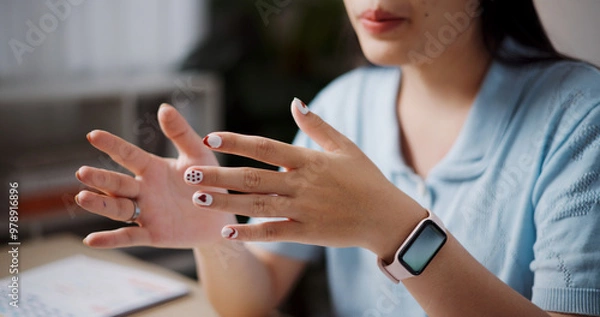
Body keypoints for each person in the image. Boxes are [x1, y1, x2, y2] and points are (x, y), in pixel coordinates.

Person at [74, 0, 600, 316]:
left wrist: (398, 232)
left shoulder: (579, 114)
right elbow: (253, 299)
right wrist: (214, 234)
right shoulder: (342, 106)